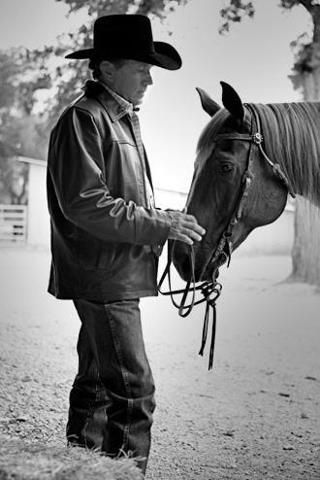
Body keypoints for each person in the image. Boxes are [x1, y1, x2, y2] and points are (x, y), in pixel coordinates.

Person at [46, 14, 205, 475]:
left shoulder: (117, 119)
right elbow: (86, 204)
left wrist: (165, 217)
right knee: (135, 389)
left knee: (97, 380)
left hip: (110, 270)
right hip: (104, 274)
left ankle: (83, 468)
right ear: (108, 68)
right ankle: (120, 473)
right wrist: (160, 227)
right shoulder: (85, 118)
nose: (150, 79)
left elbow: (122, 196)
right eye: (142, 68)